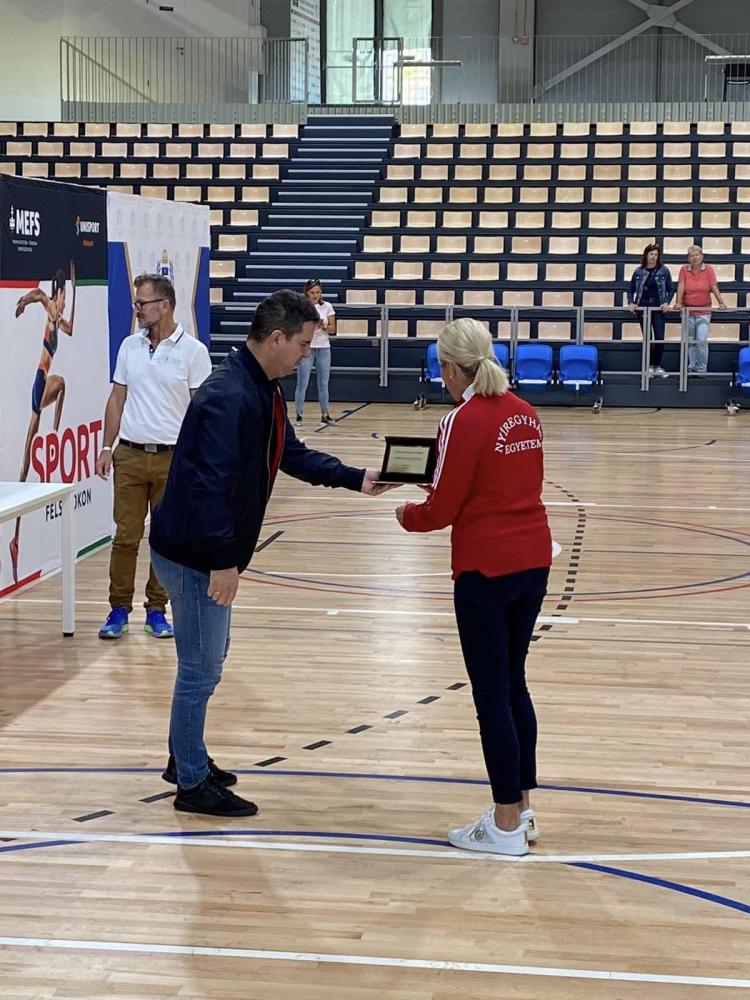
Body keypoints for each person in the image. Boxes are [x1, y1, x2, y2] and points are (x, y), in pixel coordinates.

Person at [149, 289, 394, 818]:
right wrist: (222, 562)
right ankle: (191, 783)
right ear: (277, 338)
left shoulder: (260, 387)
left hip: (201, 550)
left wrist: (356, 478)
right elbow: (209, 488)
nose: (307, 353)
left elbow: (291, 454)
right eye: (303, 344)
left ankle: (185, 756)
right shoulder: (228, 396)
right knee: (200, 670)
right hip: (195, 556)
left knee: (207, 662)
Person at [395, 318, 551, 857]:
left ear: (448, 368)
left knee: (491, 697)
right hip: (533, 560)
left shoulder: (460, 419)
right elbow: (501, 481)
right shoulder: (525, 412)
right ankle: (523, 810)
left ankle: (504, 824)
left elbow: (441, 508)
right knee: (514, 683)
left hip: (486, 569)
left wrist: (406, 515)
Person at [94, 274, 212, 640]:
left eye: (142, 303)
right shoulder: (129, 346)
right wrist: (106, 446)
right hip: (129, 455)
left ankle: (157, 610)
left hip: (173, 460)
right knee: (125, 536)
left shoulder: (193, 351)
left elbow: (202, 409)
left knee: (165, 539)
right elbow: (117, 398)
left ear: (164, 305)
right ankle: (118, 609)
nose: (137, 309)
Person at [10, 263, 76, 583]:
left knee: (25, 464)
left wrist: (73, 299)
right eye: (63, 296)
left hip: (40, 382)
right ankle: (55, 430)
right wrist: (25, 301)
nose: (62, 302)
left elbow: (70, 329)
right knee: (61, 383)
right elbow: (38, 293)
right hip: (41, 380)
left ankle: (16, 537)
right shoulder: (51, 308)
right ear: (58, 293)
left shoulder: (58, 318)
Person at [676, 245, 727, 375]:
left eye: (697, 255)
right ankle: (692, 367)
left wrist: (721, 302)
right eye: (691, 256)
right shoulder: (684, 269)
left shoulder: (708, 269)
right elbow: (681, 286)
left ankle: (702, 369)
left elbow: (713, 286)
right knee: (691, 341)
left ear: (702, 256)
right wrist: (678, 302)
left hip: (704, 310)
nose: (694, 258)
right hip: (687, 310)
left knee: (701, 340)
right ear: (688, 258)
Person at [627, 243, 675, 378]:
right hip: (643, 308)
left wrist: (667, 302)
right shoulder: (638, 271)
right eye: (651, 254)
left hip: (658, 308)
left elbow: (671, 289)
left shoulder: (664, 270)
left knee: (659, 338)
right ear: (646, 256)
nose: (654, 257)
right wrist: (631, 302)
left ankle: (657, 366)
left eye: (656, 254)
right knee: (647, 338)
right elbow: (630, 289)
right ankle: (648, 367)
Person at [294, 278, 336, 426]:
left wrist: (323, 327)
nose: (315, 295)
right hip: (307, 348)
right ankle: (299, 414)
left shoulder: (327, 307)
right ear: (307, 293)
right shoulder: (302, 308)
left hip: (323, 348)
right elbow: (297, 328)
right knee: (302, 382)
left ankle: (325, 414)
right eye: (312, 292)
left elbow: (333, 329)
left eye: (318, 292)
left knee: (323, 383)